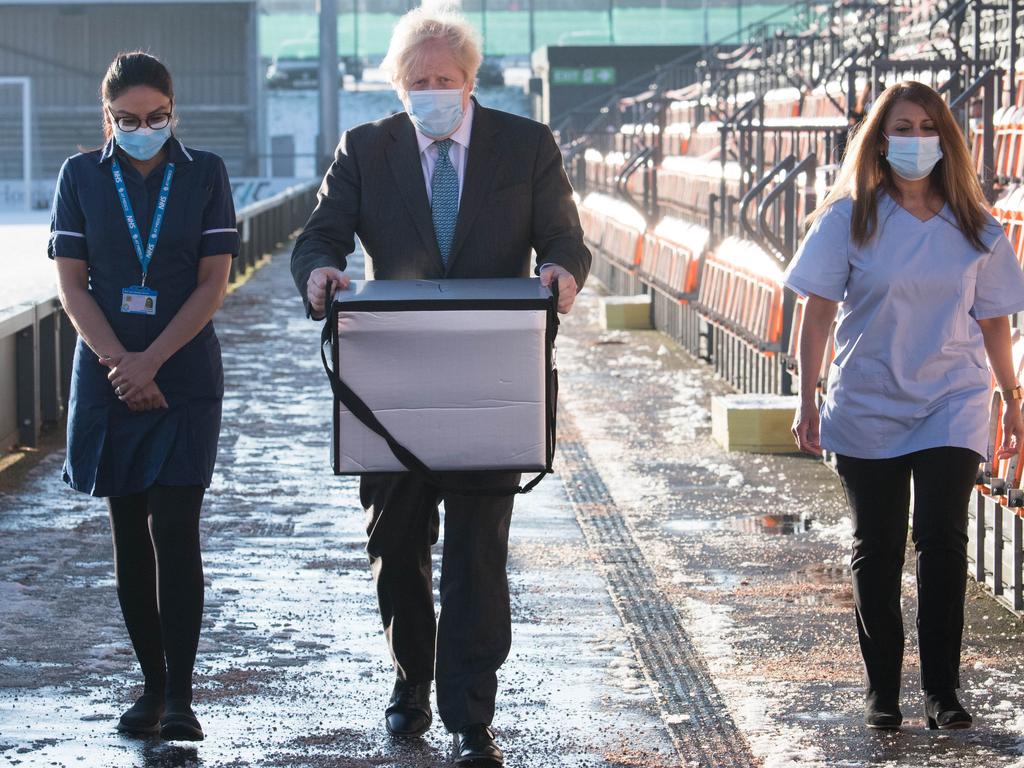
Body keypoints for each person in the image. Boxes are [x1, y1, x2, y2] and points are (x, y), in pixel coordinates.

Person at [290, 7, 590, 765]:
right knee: (396, 543)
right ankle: (410, 680)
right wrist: (319, 271)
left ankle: (468, 712)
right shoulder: (366, 148)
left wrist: (561, 271)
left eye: (444, 80)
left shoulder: (526, 146)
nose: (432, 91)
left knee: (478, 554)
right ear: (399, 86)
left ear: (470, 81)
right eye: (417, 81)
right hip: (393, 379)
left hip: (494, 375)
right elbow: (322, 234)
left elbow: (563, 236)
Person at [786, 80, 1024, 732]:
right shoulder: (849, 219)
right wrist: (807, 394)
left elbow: (996, 319)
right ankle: (883, 689)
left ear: (945, 140)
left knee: (944, 540)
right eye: (902, 127)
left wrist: (1011, 396)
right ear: (879, 139)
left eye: (926, 127)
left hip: (953, 398)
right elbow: (816, 316)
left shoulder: (975, 225)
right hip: (867, 398)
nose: (914, 140)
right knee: (877, 545)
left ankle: (944, 693)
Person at [49, 51, 238, 741]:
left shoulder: (205, 174)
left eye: (156, 117)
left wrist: (151, 360)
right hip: (107, 374)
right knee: (129, 533)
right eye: (128, 119)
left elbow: (213, 282)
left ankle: (182, 696)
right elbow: (73, 285)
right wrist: (121, 365)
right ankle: (151, 684)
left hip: (182, 374)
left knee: (175, 528)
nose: (143, 128)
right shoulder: (80, 176)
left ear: (173, 110)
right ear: (108, 118)